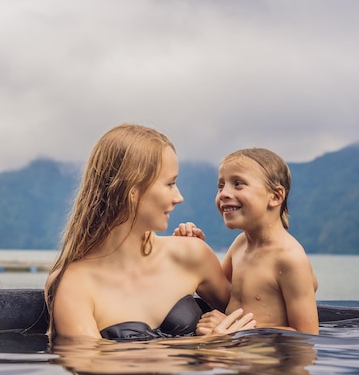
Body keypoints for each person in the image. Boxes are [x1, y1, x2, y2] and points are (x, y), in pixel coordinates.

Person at [44, 124, 255, 341]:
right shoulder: (73, 284)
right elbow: (88, 365)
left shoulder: (191, 254)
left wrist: (229, 330)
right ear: (133, 191)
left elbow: (258, 321)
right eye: (170, 183)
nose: (178, 197)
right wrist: (206, 343)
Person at [175, 148, 319, 335]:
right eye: (220, 186)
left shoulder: (289, 258)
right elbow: (221, 295)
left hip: (266, 358)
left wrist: (235, 330)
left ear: (275, 197)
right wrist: (193, 250)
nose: (224, 193)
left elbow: (307, 335)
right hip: (238, 352)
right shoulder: (241, 243)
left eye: (238, 184)